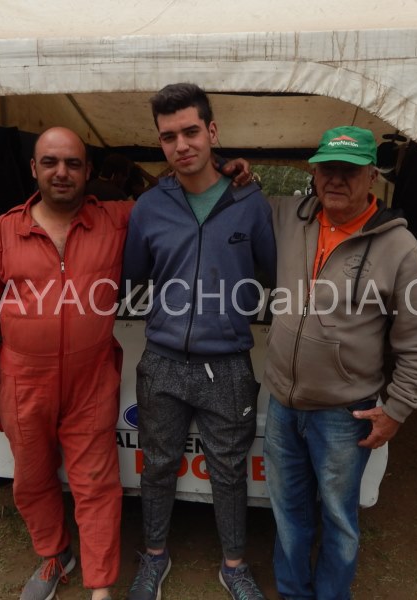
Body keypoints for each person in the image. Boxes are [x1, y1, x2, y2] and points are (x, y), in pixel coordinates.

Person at [0, 126, 253, 600]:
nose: (61, 172)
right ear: (33, 169)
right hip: (22, 379)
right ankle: (55, 555)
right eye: (50, 162)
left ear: (88, 172)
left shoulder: (116, 219)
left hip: (90, 378)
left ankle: (100, 585)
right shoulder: (3, 231)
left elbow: (175, 193)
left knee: (96, 484)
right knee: (32, 478)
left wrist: (220, 166)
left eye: (73, 164)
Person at [262, 126, 417, 600]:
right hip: (282, 403)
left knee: (338, 519)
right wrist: (232, 173)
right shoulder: (289, 216)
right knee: (288, 512)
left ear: (372, 177)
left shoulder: (399, 247)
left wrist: (396, 410)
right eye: (327, 169)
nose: (336, 179)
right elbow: (237, 203)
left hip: (344, 412)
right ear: (314, 172)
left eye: (349, 170)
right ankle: (293, 593)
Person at [123, 83, 276, 600]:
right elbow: (134, 274)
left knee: (229, 471)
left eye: (191, 131)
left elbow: (273, 271)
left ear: (212, 132)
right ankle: (154, 556)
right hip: (162, 361)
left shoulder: (250, 203)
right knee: (158, 465)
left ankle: (234, 565)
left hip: (228, 363)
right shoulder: (150, 207)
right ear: (160, 143)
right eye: (169, 136)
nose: (182, 144)